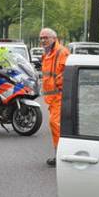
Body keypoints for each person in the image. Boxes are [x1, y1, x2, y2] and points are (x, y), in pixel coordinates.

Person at [39, 28, 70, 167]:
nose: (43, 40)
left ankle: (60, 156)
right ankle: (61, 155)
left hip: (60, 95)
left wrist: (59, 84)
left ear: (54, 38)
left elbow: (66, 72)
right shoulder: (47, 53)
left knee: (55, 124)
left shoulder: (61, 52)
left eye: (46, 37)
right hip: (53, 97)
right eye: (41, 38)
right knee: (56, 125)